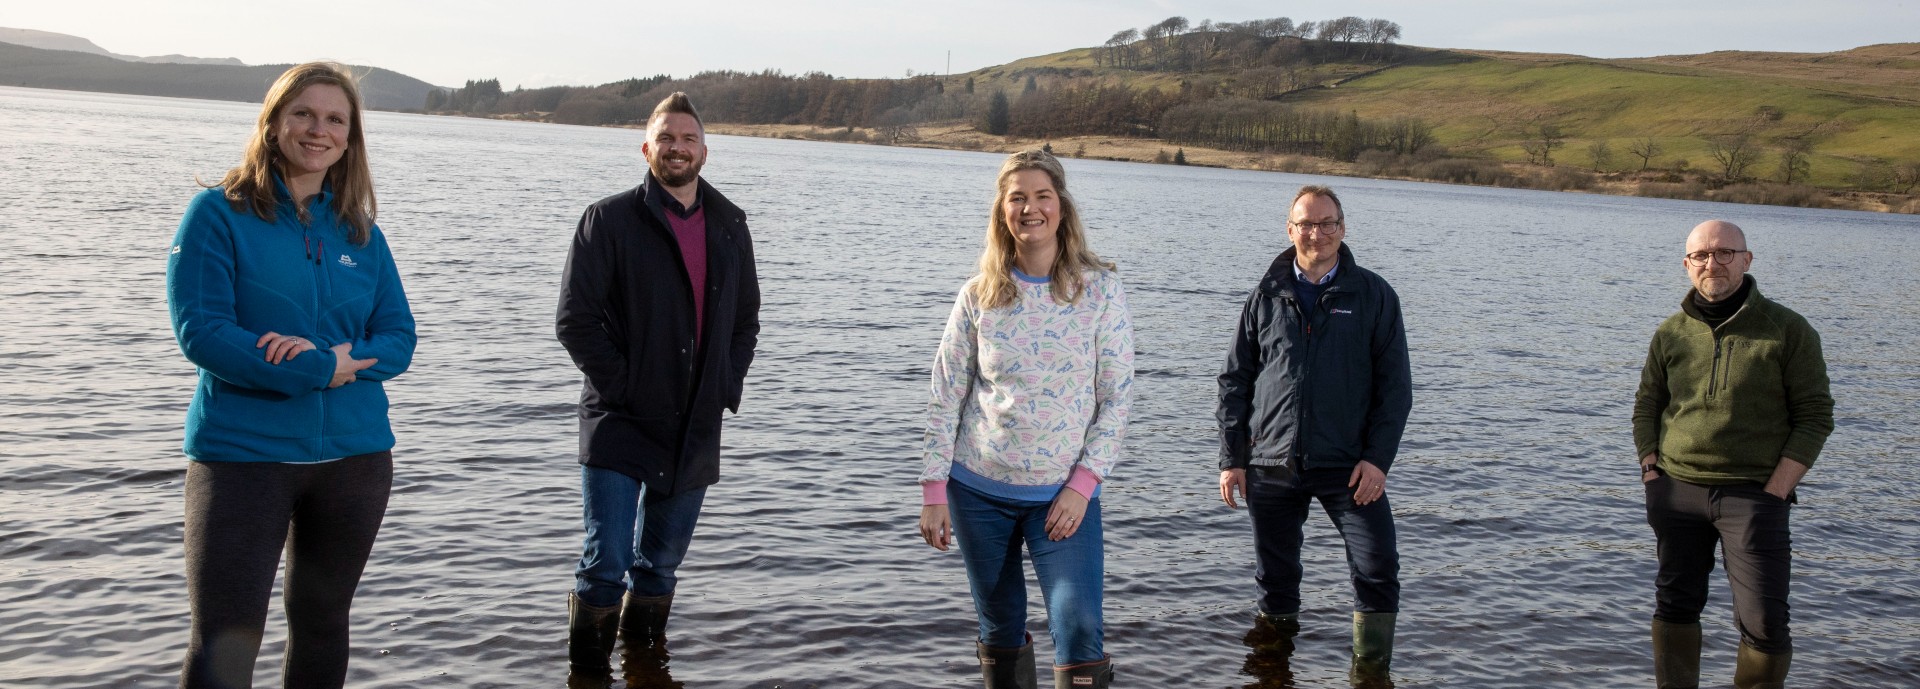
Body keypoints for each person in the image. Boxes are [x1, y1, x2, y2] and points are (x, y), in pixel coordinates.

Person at [166, 61, 415, 689]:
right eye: (303, 113)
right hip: (244, 457)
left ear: (350, 137)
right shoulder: (217, 215)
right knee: (227, 636)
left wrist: (335, 360)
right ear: (274, 121)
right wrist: (319, 367)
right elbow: (204, 333)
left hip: (355, 460)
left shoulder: (361, 232)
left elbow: (399, 340)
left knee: (325, 623)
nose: (318, 129)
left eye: (336, 119)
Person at [555, 91, 760, 682]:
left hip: (695, 423)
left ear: (705, 150)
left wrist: (726, 382)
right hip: (620, 420)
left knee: (661, 565)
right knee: (605, 564)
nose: (677, 148)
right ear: (647, 147)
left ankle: (645, 667)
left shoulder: (729, 224)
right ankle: (587, 675)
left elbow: (746, 319)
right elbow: (575, 321)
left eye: (688, 139)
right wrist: (626, 386)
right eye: (666, 138)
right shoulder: (609, 219)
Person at [917, 149, 1134, 689]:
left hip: (1062, 499)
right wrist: (933, 490)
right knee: (1000, 626)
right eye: (1017, 197)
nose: (1030, 208)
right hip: (977, 491)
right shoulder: (979, 295)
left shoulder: (1099, 290)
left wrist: (1083, 486)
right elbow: (947, 394)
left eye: (1042, 196)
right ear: (1002, 210)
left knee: (1079, 624)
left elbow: (1117, 398)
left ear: (1061, 206)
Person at [1216, 184, 1412, 683]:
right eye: (1306, 223)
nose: (1316, 233)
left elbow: (1396, 389)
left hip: (1349, 467)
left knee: (1378, 567)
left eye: (1327, 223)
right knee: (1275, 582)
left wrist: (1378, 459)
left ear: (1342, 229)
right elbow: (1235, 379)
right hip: (1271, 465)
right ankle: (1273, 673)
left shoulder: (1373, 295)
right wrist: (1232, 457)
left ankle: (1370, 674)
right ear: (1290, 230)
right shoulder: (1266, 294)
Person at [1634, 220, 1832, 689]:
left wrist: (1778, 489)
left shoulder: (1788, 330)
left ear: (1747, 259)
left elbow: (1816, 416)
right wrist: (1650, 470)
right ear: (1686, 265)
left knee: (1764, 624)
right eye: (1701, 255)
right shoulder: (1670, 333)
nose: (1712, 263)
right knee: (1675, 605)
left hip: (1754, 497)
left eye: (1725, 253)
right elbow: (1647, 405)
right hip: (1676, 492)